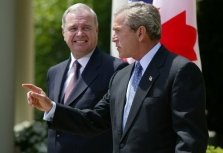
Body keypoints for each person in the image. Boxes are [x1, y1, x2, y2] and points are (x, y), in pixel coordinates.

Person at [23, 2, 208, 153]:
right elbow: (95, 120)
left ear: (140, 33)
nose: (113, 38)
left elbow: (190, 140)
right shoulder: (122, 76)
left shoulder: (180, 71)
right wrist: (51, 107)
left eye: (118, 31)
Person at [32, 3, 127, 153]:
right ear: (63, 32)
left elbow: (104, 121)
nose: (80, 33)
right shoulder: (54, 72)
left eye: (86, 28)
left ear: (97, 30)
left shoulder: (117, 69)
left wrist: (52, 107)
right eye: (73, 28)